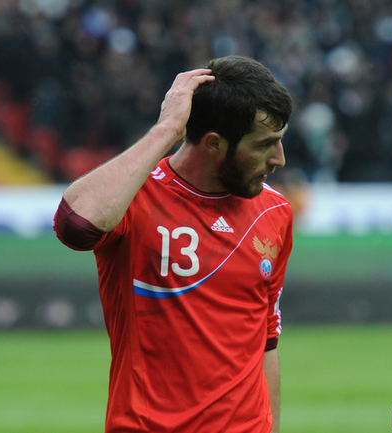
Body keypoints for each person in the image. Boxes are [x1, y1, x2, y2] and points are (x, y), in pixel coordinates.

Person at [53, 55, 293, 433]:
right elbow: (76, 226)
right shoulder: (136, 198)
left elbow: (267, 341)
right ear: (214, 144)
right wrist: (167, 128)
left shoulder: (275, 212)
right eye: (265, 144)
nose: (279, 159)